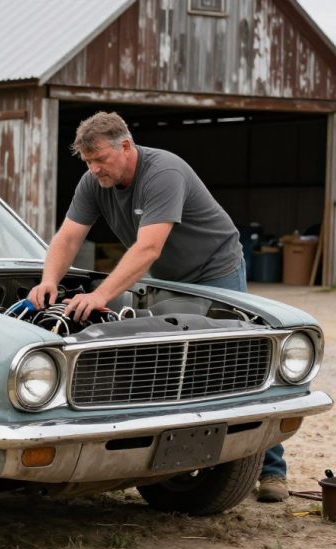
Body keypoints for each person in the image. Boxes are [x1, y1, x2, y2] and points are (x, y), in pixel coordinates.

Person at [28, 111, 287, 503]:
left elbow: (148, 247)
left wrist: (99, 296)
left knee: (236, 364)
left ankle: (271, 471)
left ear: (126, 146)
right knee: (169, 364)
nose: (94, 168)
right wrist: (48, 280)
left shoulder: (163, 172)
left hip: (214, 270)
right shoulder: (92, 183)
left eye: (100, 159)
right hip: (167, 278)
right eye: (88, 162)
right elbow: (67, 237)